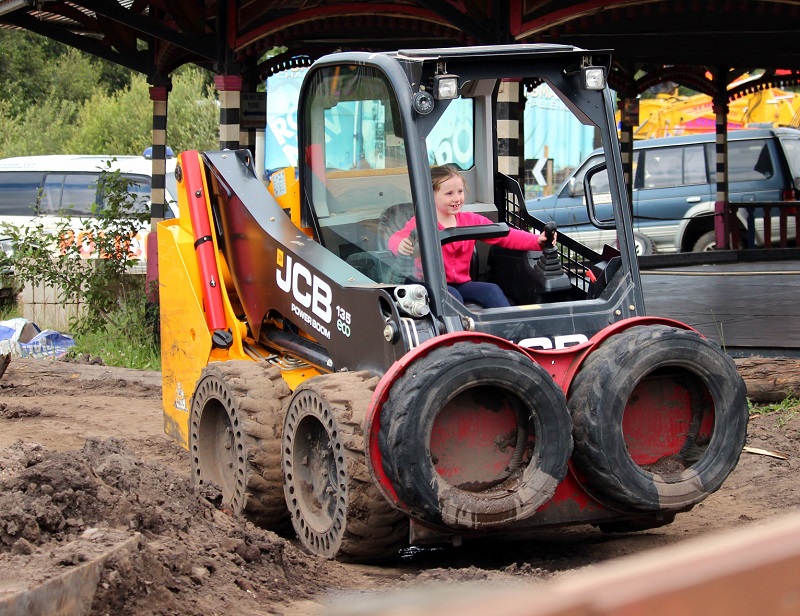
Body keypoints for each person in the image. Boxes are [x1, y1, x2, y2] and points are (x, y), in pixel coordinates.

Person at [388, 165, 551, 308]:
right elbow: (396, 238)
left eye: (460, 192)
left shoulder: (471, 220)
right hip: (430, 285)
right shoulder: (421, 222)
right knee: (453, 298)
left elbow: (504, 235)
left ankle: (507, 336)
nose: (457, 198)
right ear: (430, 196)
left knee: (492, 290)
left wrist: (537, 241)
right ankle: (463, 340)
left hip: (462, 284)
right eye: (449, 193)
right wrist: (401, 244)